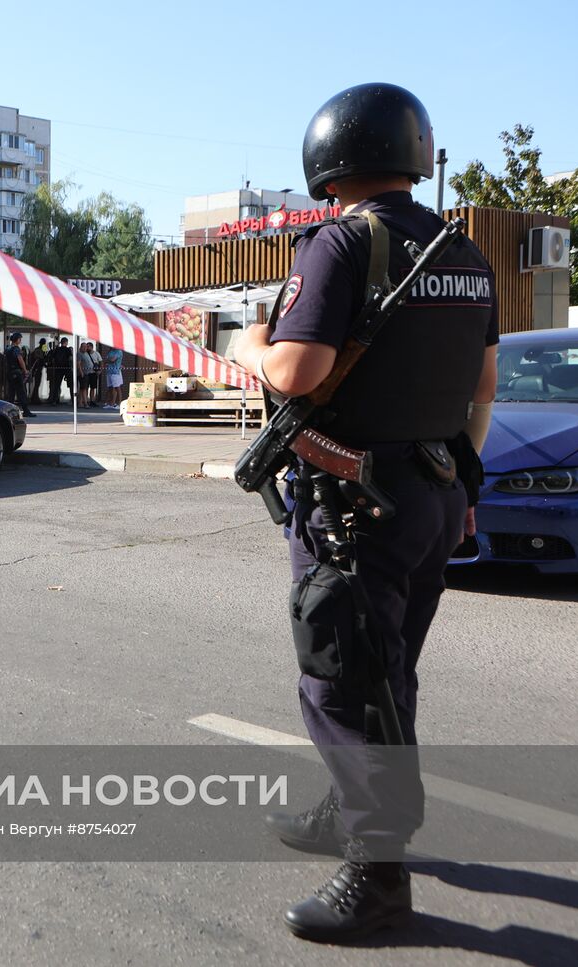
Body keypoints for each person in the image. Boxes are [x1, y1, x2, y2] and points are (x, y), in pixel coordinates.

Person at [233, 83, 497, 944]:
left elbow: (298, 372)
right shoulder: (467, 255)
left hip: (355, 504)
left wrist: (245, 348)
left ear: (330, 158)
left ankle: (378, 876)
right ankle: (345, 807)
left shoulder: (342, 244)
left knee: (343, 680)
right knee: (390, 670)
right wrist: (457, 486)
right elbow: (481, 390)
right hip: (432, 494)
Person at [4, 333, 35, 417]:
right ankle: (26, 411)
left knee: (11, 393)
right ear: (17, 339)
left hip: (9, 373)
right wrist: (25, 370)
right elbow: (20, 359)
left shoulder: (7, 348)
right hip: (16, 373)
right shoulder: (16, 349)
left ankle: (8, 412)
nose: (20, 341)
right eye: (20, 339)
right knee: (21, 392)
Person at [47, 337, 73, 405]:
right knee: (71, 385)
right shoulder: (68, 350)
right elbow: (70, 359)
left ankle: (55, 400)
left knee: (57, 385)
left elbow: (53, 358)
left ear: (61, 342)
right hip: (67, 368)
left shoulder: (57, 349)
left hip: (58, 369)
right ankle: (73, 400)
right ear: (66, 342)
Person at [28, 338, 48, 402]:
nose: (44, 344)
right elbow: (40, 359)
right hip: (37, 369)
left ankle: (35, 397)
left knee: (37, 384)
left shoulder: (42, 349)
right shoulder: (37, 350)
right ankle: (35, 398)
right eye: (44, 343)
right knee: (37, 384)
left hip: (39, 368)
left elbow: (45, 356)